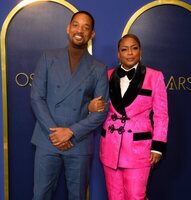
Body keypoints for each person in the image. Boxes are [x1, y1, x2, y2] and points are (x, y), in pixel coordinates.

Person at [30, 11, 109, 200]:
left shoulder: (98, 68)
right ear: (68, 28)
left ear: (92, 34)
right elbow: (36, 98)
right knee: (40, 195)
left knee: (78, 196)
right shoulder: (48, 57)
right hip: (47, 139)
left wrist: (71, 132)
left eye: (86, 27)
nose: (79, 30)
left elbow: (101, 111)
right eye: (76, 25)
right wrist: (55, 133)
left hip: (78, 142)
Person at [88, 33, 169, 200]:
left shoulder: (155, 76)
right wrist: (91, 107)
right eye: (124, 49)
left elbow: (161, 115)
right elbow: (97, 105)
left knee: (136, 196)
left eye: (134, 48)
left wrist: (157, 147)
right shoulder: (106, 76)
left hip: (138, 149)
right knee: (114, 196)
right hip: (110, 146)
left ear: (140, 52)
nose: (130, 53)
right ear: (118, 54)